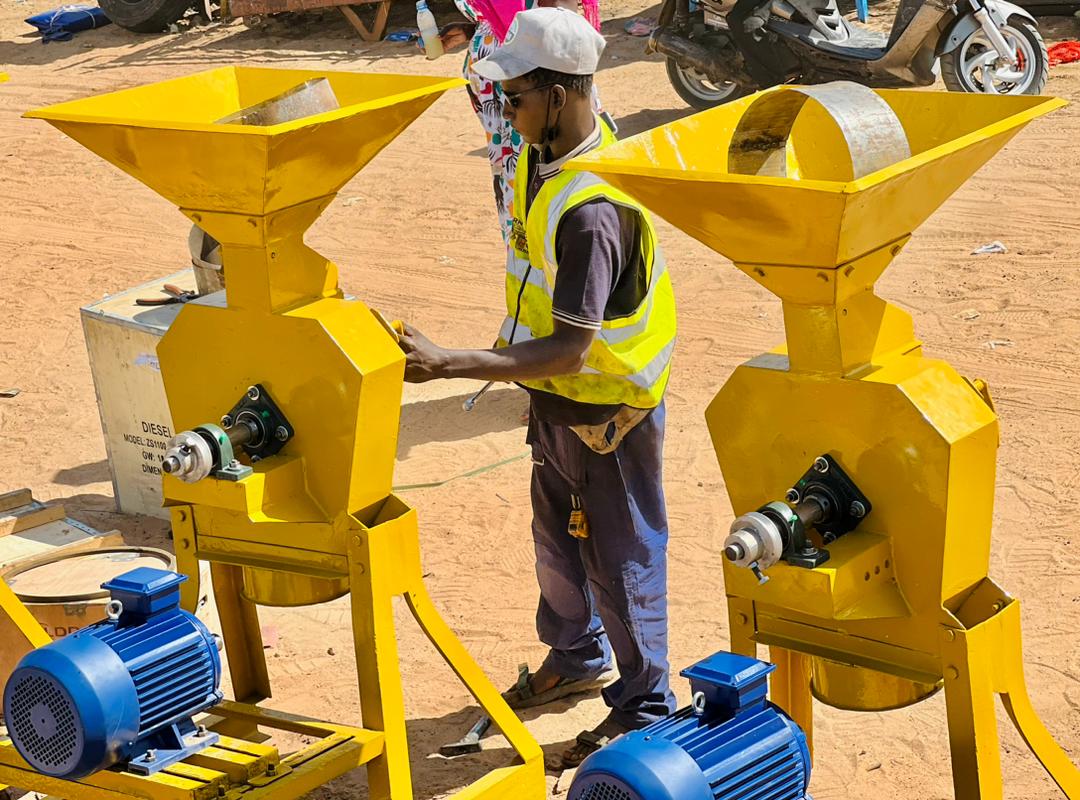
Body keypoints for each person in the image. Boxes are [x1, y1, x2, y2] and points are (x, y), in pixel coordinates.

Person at [399, 7, 678, 768]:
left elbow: (572, 345)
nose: (501, 110)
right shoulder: (539, 156)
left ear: (559, 94)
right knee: (556, 543)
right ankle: (575, 655)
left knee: (620, 560)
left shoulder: (592, 209)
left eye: (513, 96)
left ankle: (645, 703)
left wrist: (450, 363)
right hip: (558, 400)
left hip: (608, 408)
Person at [445, 0, 607, 245]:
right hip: (521, 79)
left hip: (535, 80)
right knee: (522, 189)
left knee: (556, 188)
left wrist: (537, 80)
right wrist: (480, 28)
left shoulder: (545, 96)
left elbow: (559, 23)